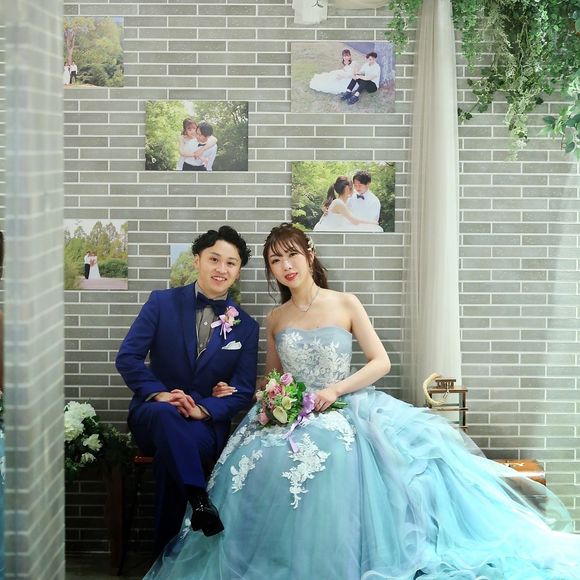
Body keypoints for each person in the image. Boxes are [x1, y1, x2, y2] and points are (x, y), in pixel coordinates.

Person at [144, 222, 580, 579]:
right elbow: (276, 376)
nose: (285, 265)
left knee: (333, 451)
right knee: (264, 460)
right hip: (292, 411)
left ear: (309, 255)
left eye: (291, 254)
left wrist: (334, 390)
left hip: (345, 404)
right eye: (275, 260)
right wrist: (259, 391)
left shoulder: (345, 303)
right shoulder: (276, 318)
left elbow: (380, 362)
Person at [116, 226, 259, 555]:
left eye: (231, 263)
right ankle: (199, 499)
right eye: (214, 259)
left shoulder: (246, 327)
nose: (221, 269)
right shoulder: (161, 303)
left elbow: (241, 390)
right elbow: (128, 358)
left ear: (238, 271)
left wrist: (203, 408)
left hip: (202, 426)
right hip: (154, 415)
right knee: (167, 417)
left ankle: (164, 556)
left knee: (172, 455)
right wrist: (161, 395)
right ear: (197, 260)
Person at [313, 175, 382, 232]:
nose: (355, 189)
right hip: (328, 230)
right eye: (354, 186)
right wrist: (373, 222)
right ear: (347, 189)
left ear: (368, 184)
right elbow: (354, 221)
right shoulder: (339, 202)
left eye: (359, 185)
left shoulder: (373, 200)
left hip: (340, 227)